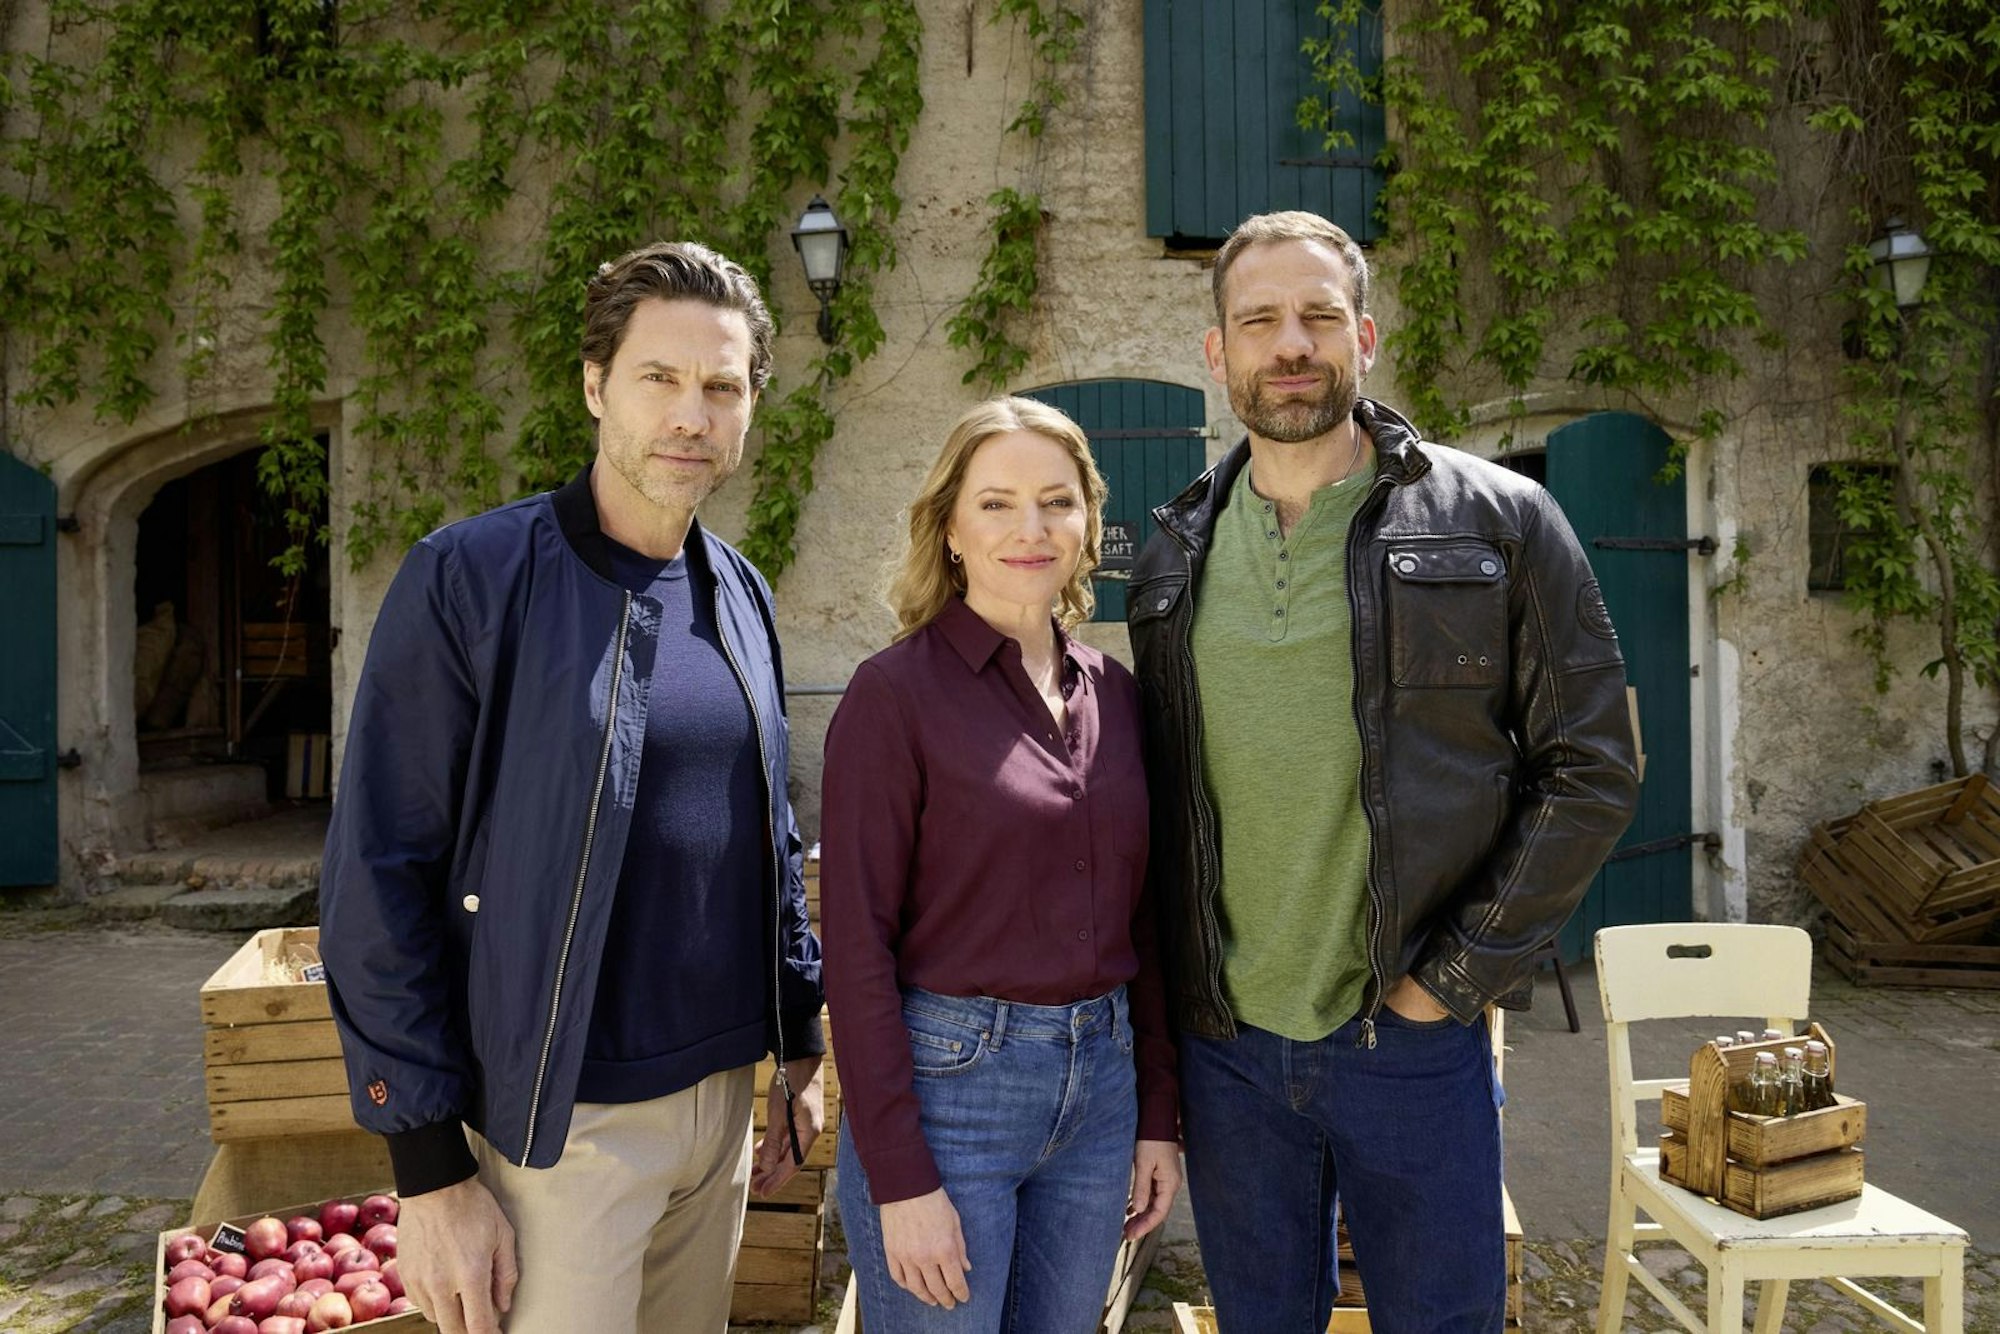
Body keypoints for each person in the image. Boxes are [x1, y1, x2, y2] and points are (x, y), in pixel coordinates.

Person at [1126, 211, 1640, 1332]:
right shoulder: (1171, 556)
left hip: (1404, 1039)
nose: (1289, 343)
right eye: (1258, 319)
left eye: (1316, 315)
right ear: (1217, 353)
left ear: (1362, 332)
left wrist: (1444, 985)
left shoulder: (1497, 520)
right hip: (1228, 1052)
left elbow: (1591, 765)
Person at [319, 241, 826, 1334]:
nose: (691, 414)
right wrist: (427, 1167)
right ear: (595, 385)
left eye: (721, 387)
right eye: (660, 378)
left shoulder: (740, 592)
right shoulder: (471, 578)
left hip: (719, 1112)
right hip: (561, 1123)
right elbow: (376, 871)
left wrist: (798, 1042)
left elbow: (769, 838)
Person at [821, 396, 1182, 1333]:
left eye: (1057, 502)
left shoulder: (1118, 696)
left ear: (1089, 525)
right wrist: (901, 1180)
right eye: (996, 503)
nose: (1031, 529)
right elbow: (854, 949)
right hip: (951, 1098)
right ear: (948, 527)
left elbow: (1143, 922)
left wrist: (1156, 1115)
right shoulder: (892, 697)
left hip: (1099, 1097)